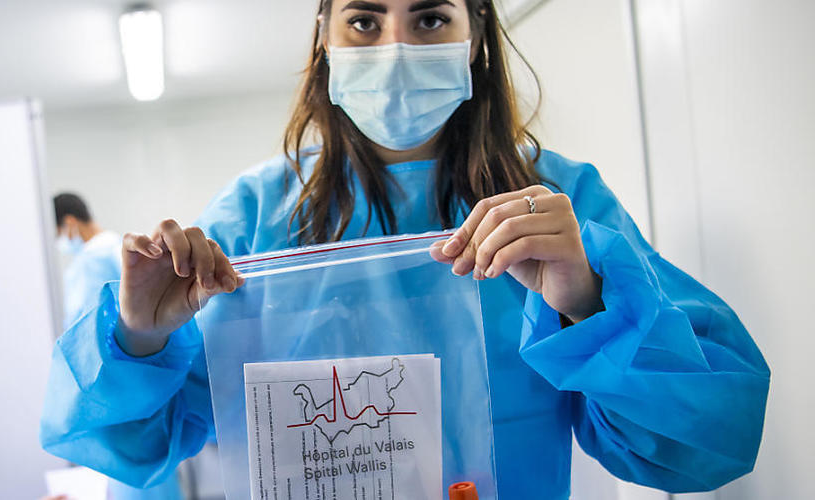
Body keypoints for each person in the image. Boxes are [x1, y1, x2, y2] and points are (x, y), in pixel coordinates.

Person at [40, 0, 770, 498]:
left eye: (428, 17)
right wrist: (138, 340)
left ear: (476, 34)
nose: (396, 49)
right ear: (323, 36)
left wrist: (585, 302)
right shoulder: (256, 214)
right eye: (363, 19)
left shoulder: (557, 204)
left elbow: (707, 438)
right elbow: (132, 447)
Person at [53, 194, 184, 499]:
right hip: (143, 393)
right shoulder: (116, 250)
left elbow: (86, 342)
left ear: (70, 223)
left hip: (113, 398)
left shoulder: (91, 261)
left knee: (129, 479)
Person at [54, 193, 124, 328]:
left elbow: (81, 318)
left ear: (69, 222)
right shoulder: (113, 247)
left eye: (57, 234)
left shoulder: (95, 258)